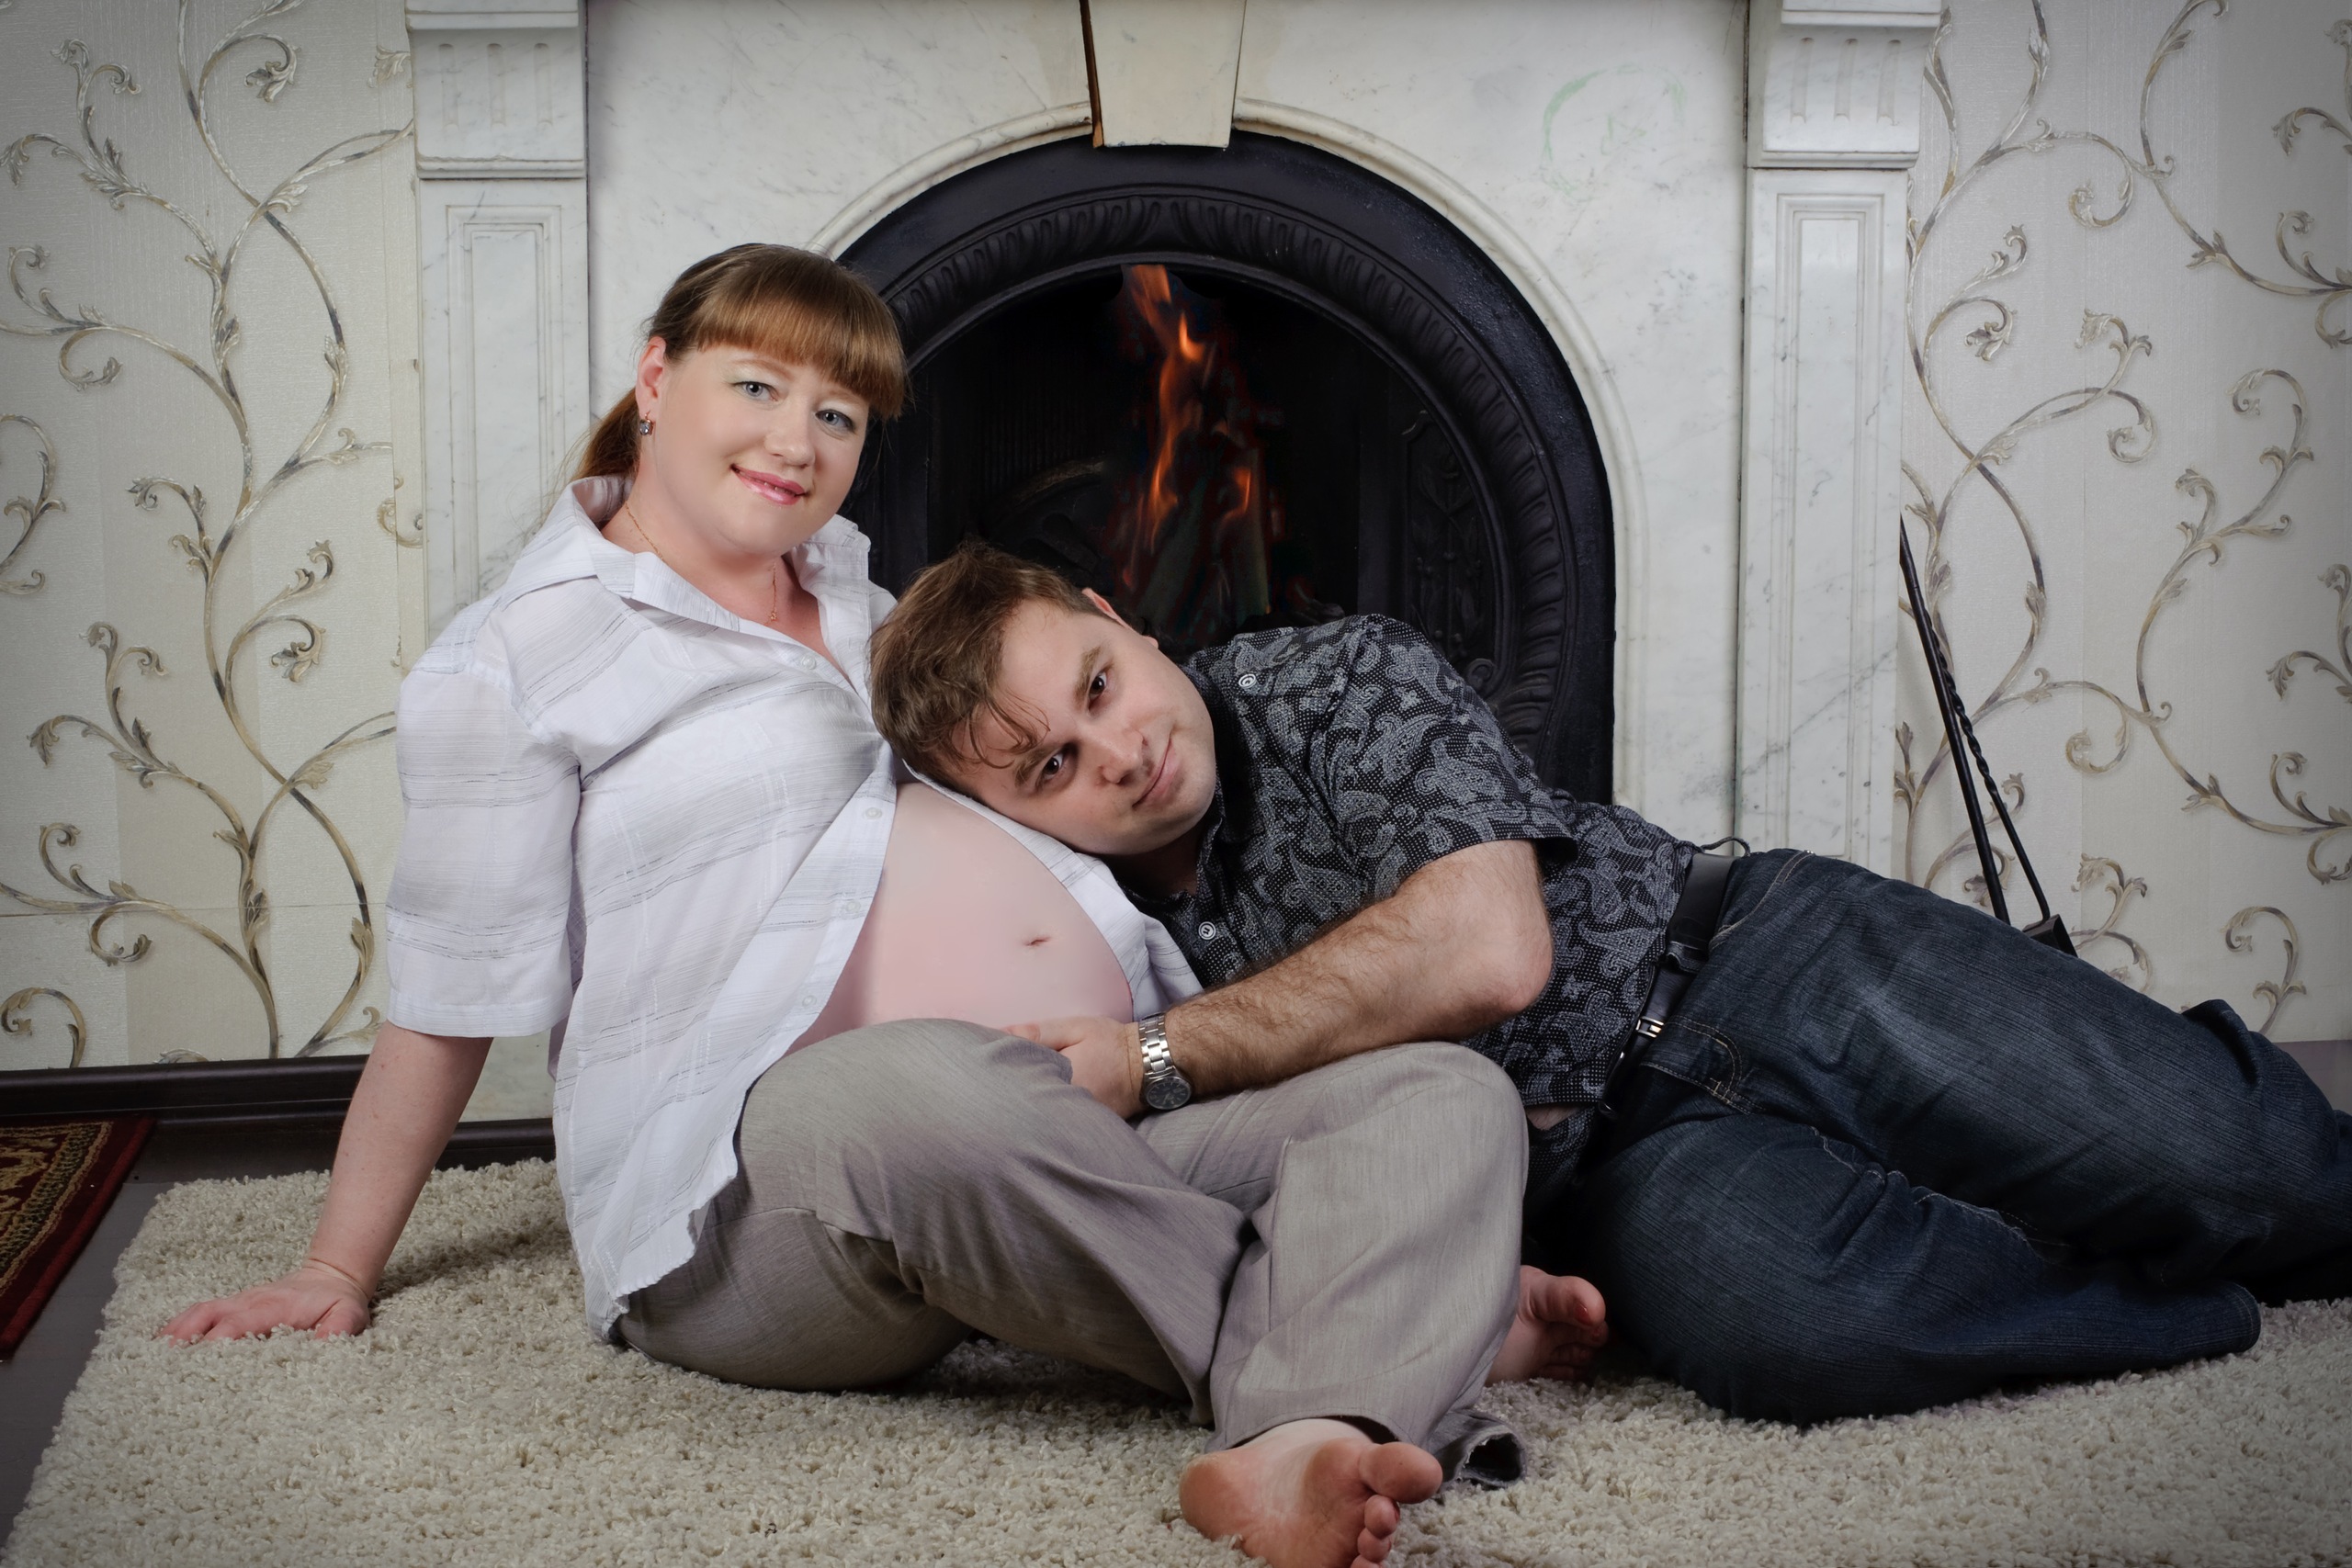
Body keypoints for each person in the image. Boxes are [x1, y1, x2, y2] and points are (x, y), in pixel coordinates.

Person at [159, 245, 1607, 1568]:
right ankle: (1385, 1318)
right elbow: (449, 986)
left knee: (1436, 1092)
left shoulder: (867, 604)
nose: (799, 440)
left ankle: (1302, 1438)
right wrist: (335, 1264)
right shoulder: (517, 661)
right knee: (905, 1089)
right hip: (763, 1194)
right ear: (656, 378)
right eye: (757, 386)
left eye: (840, 413)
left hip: (1087, 1121)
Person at [865, 540, 2352, 1426]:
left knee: (2244, 1166)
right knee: (1794, 1328)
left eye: (1099, 685)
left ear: (1119, 616)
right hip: (1618, 1176)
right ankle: (2189, 1308)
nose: (1117, 753)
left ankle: (2170, 1170)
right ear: (1009, 817)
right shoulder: (1093, 934)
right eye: (1050, 767)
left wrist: (1165, 1055)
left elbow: (1489, 950)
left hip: (1754, 954)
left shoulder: (1328, 680)